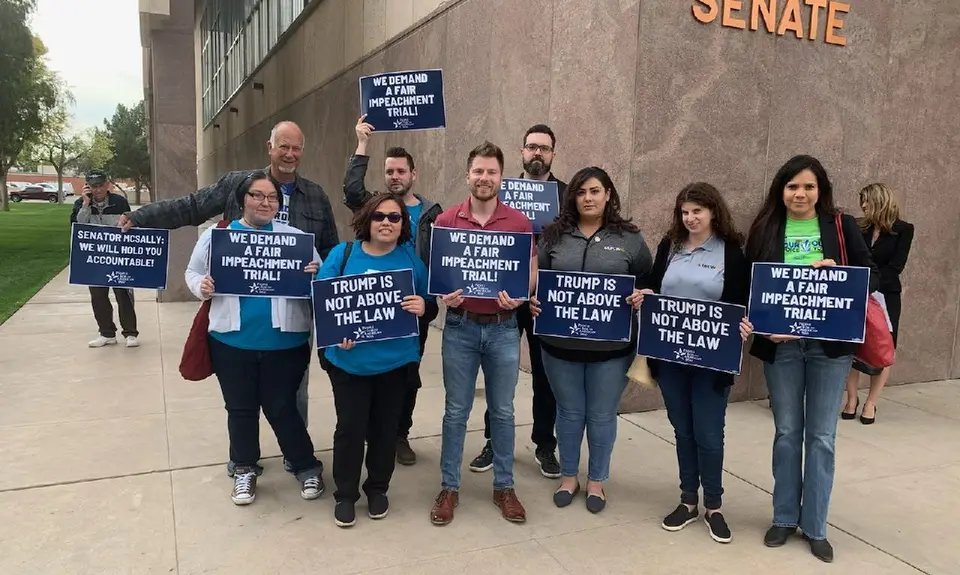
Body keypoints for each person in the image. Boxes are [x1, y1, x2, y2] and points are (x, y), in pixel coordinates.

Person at [119, 121, 338, 478]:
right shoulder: (238, 184)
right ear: (270, 147)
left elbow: (329, 251)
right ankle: (244, 462)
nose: (290, 154)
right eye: (283, 146)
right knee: (242, 404)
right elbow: (190, 207)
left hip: (291, 323)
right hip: (237, 326)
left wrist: (322, 271)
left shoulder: (314, 195)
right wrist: (142, 216)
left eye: (296, 148)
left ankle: (295, 456)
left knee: (290, 401)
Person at [745, 155, 878, 563]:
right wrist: (756, 322)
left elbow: (871, 276)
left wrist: (838, 268)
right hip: (782, 347)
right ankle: (784, 518)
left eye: (808, 186)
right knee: (787, 434)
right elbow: (750, 282)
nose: (800, 194)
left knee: (822, 437)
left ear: (820, 190)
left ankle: (816, 525)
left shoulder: (842, 226)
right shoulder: (766, 227)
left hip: (829, 348)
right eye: (792, 186)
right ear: (780, 190)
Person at [184, 171, 324, 506]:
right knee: (241, 409)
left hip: (285, 344)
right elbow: (191, 272)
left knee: (282, 408)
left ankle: (306, 466)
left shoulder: (295, 239)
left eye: (272, 197)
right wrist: (200, 286)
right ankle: (244, 468)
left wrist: (315, 273)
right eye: (257, 195)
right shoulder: (217, 237)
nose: (265, 202)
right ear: (243, 199)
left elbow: (321, 280)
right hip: (232, 343)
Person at [527, 166, 652, 513]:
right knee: (568, 414)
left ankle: (596, 481)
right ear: (572, 197)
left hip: (612, 351)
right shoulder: (553, 235)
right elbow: (537, 281)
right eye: (581, 192)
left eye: (595, 191)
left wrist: (643, 294)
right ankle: (570, 477)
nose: (588, 198)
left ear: (608, 194)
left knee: (600, 416)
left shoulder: (630, 239)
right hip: (558, 347)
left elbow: (646, 278)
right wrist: (533, 300)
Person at [430, 141, 536, 526]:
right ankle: (449, 487)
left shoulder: (519, 223)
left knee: (504, 411)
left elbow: (530, 270)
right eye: (478, 171)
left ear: (501, 176)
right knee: (455, 411)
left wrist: (520, 297)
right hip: (459, 326)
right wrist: (445, 294)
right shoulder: (447, 222)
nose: (484, 178)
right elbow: (439, 277)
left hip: (503, 329)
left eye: (491, 172)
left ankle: (504, 486)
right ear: (468, 175)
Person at [639, 183, 753, 543]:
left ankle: (714, 505)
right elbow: (653, 286)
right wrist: (645, 295)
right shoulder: (668, 247)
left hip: (710, 361)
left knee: (708, 432)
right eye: (685, 212)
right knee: (682, 430)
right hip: (670, 358)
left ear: (713, 212)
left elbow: (741, 303)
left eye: (697, 211)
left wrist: (745, 323)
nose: (690, 218)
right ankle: (688, 500)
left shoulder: (731, 254)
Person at [318, 195, 430, 528]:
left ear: (402, 225)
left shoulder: (411, 260)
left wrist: (424, 308)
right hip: (350, 364)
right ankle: (346, 495)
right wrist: (338, 331)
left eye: (394, 218)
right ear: (367, 219)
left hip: (395, 364)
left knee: (384, 431)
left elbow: (430, 302)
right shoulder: (343, 254)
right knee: (350, 430)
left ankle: (378, 489)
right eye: (379, 215)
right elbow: (323, 303)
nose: (386, 222)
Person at [342, 115, 442, 466]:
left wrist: (434, 299)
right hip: (371, 304)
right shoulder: (376, 207)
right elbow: (351, 191)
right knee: (371, 372)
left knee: (407, 376)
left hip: (413, 306)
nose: (395, 176)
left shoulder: (432, 213)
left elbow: (444, 258)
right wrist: (361, 144)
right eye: (390, 172)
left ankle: (398, 434)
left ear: (413, 174)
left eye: (401, 171)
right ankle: (374, 432)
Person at [471, 124, 566, 479]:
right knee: (500, 373)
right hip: (505, 295)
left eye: (544, 148)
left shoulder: (566, 195)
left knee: (545, 374)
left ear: (553, 154)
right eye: (531, 147)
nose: (537, 153)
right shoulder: (501, 191)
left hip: (546, 299)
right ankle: (493, 441)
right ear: (522, 152)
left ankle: (544, 444)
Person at [842, 183, 914, 425]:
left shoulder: (903, 230)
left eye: (867, 201)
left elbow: (896, 266)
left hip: (886, 295)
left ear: (880, 201)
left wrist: (871, 284)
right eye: (861, 201)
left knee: (883, 347)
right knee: (854, 345)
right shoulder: (859, 227)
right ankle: (851, 399)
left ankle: (871, 402)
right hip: (857, 294)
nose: (863, 206)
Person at [70, 170, 139, 348]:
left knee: (123, 294)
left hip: (118, 257)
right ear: (87, 187)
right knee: (98, 296)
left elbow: (129, 226)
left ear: (107, 184)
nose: (98, 190)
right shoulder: (80, 203)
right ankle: (106, 333)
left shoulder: (119, 202)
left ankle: (130, 333)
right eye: (93, 186)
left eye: (100, 185)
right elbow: (77, 228)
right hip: (94, 259)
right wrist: (86, 205)